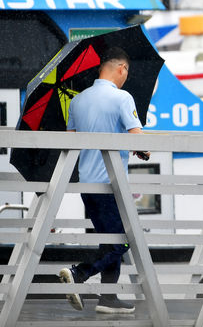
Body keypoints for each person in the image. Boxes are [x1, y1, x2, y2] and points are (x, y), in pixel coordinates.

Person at [59, 46, 150, 314]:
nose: (126, 77)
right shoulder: (122, 98)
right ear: (122, 68)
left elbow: (72, 140)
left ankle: (108, 298)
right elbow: (138, 138)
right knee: (121, 241)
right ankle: (79, 274)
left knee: (109, 239)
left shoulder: (77, 101)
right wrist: (143, 149)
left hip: (87, 182)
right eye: (126, 72)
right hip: (111, 183)